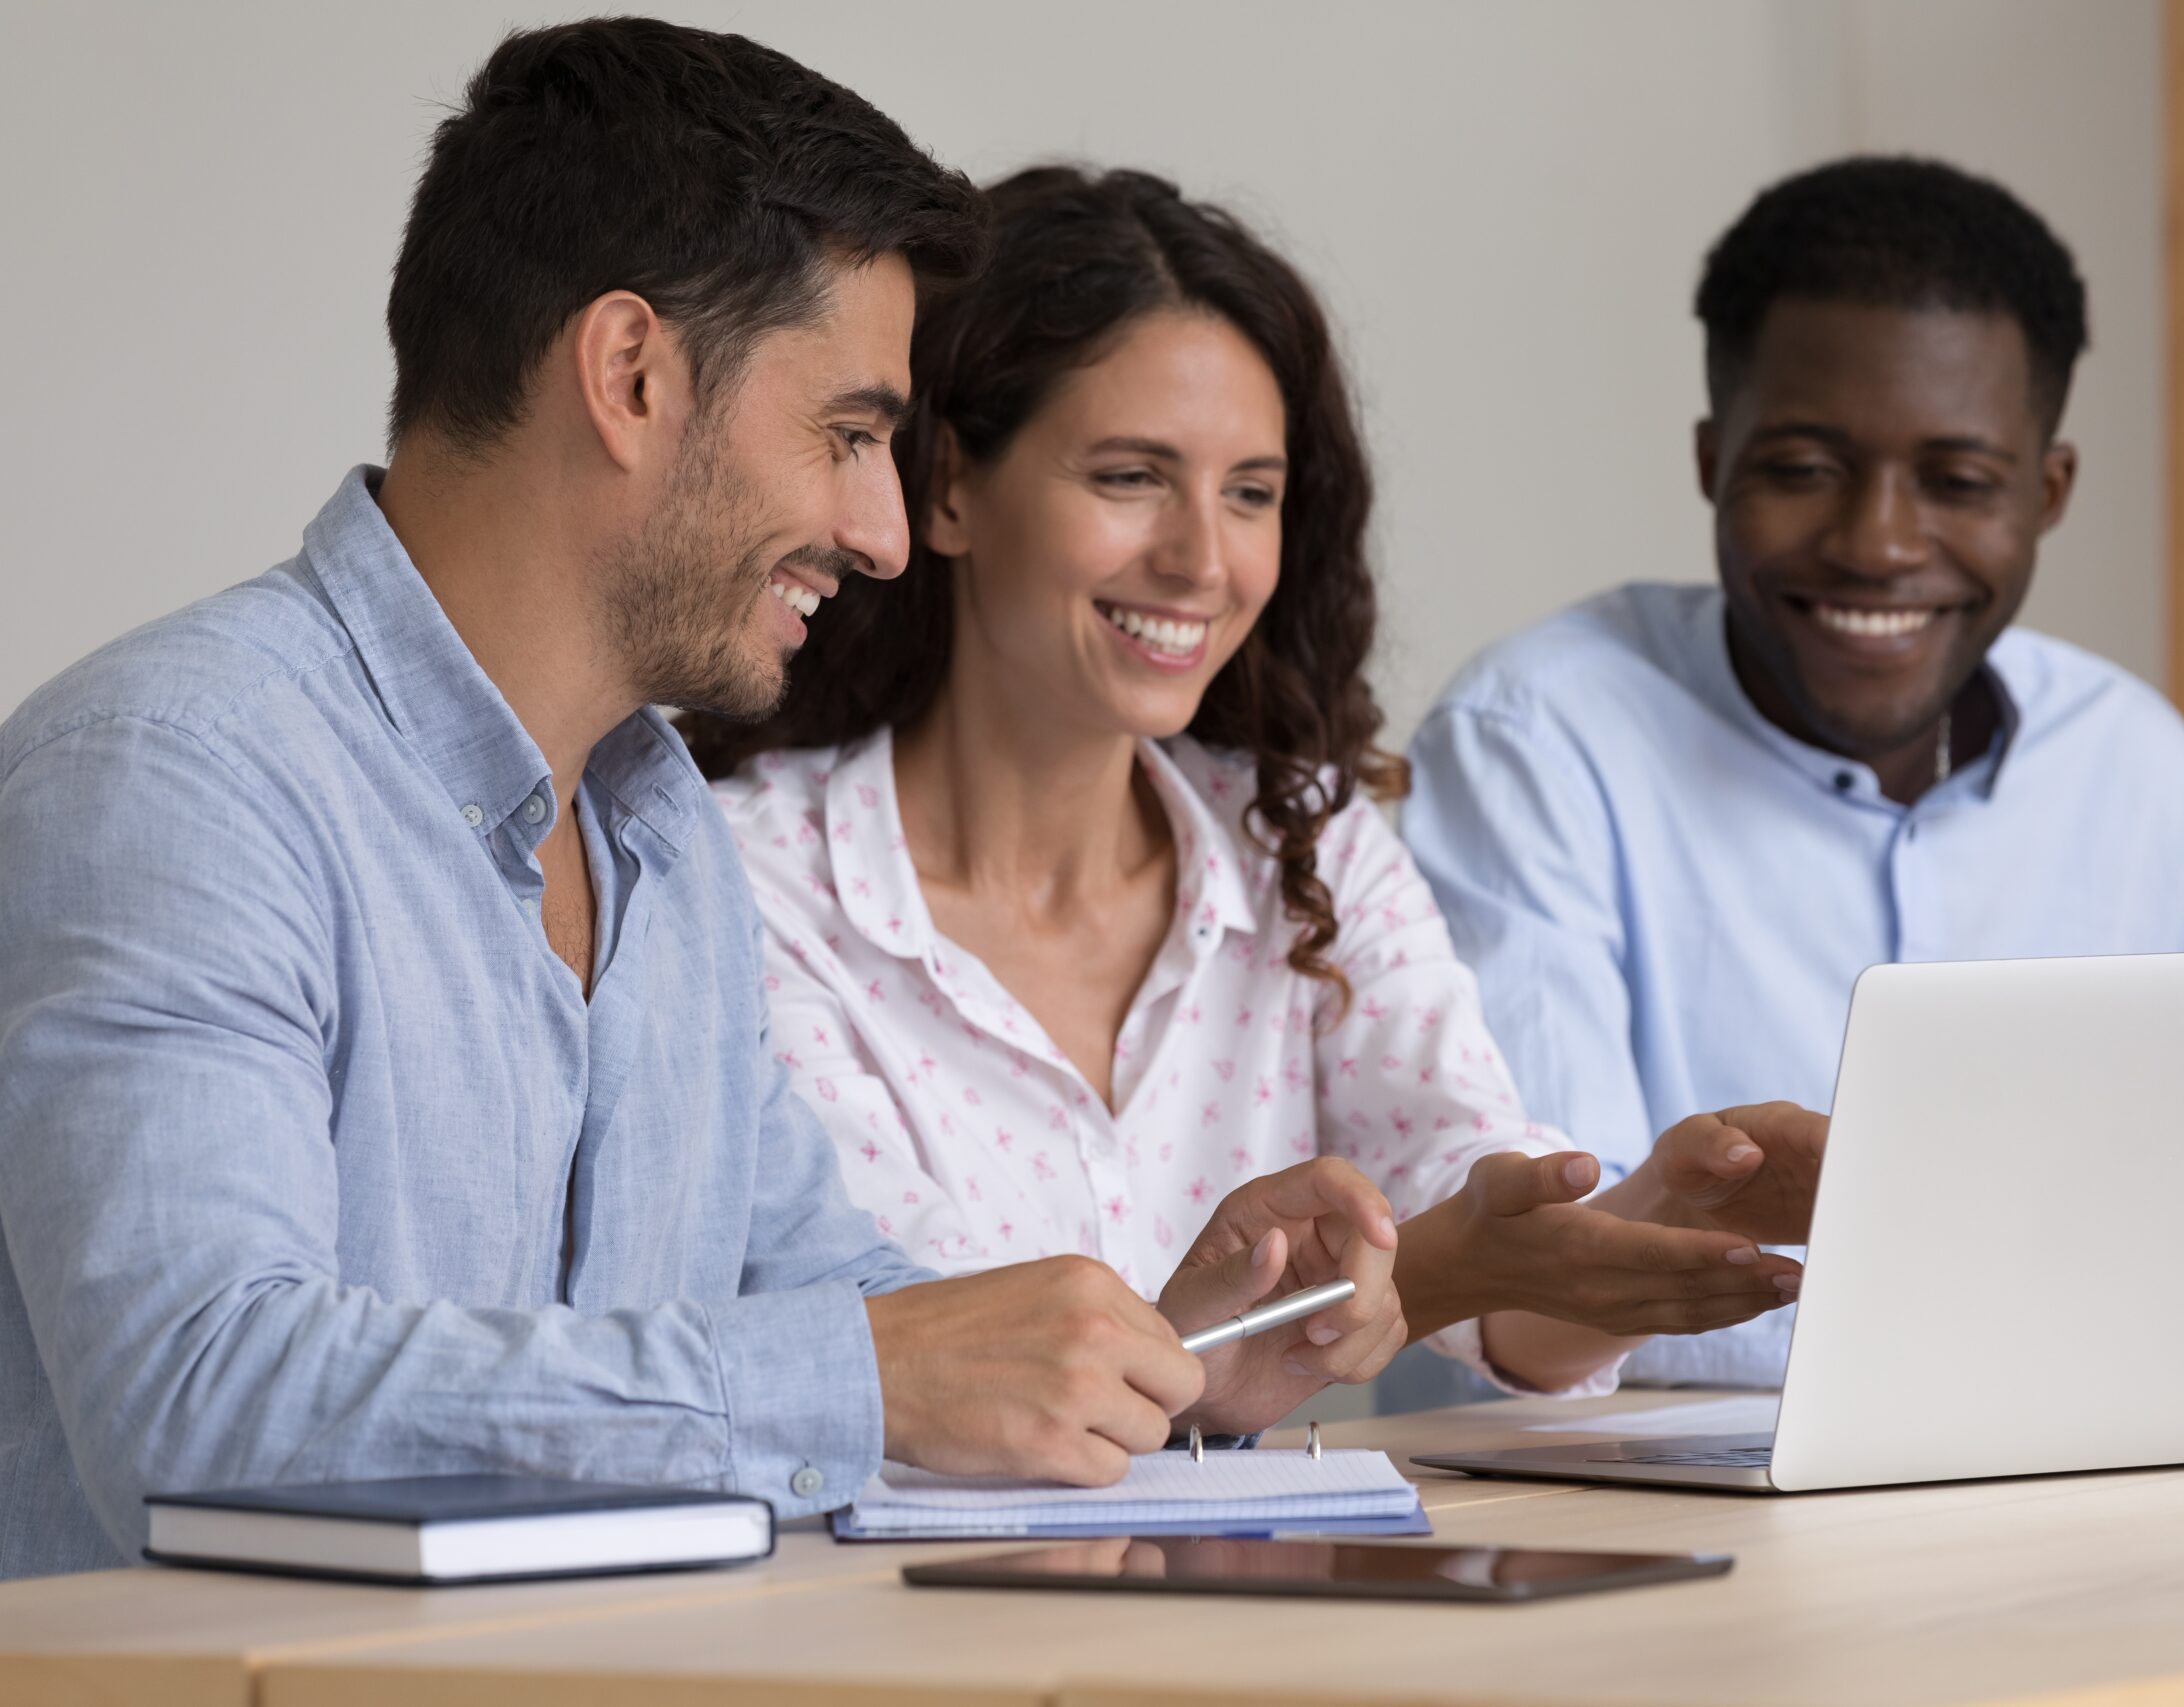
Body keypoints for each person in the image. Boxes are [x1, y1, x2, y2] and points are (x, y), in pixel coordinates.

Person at [0, 21, 1390, 1583]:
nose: (882, 533)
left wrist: (1155, 1362)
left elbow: (837, 1300)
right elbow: (193, 1397)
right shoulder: (172, 775)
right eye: (851, 432)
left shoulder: (660, 831)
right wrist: (862, 1379)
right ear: (631, 373)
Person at [1401, 155, 2184, 1397]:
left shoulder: (2131, 761)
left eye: (1957, 482)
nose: (1877, 543)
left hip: (2062, 1513)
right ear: (1708, 460)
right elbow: (1549, 1287)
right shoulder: (1531, 742)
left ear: (2046, 491)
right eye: (1800, 467)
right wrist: (2151, 1307)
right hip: (1611, 1532)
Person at [687, 166, 1820, 1406]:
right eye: (1128, 477)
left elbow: (1496, 1253)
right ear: (948, 485)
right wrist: (1434, 1272)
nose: (1201, 561)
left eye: (1251, 494)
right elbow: (932, 1353)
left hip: (1252, 1594)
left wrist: (1653, 1219)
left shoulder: (1308, 846)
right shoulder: (747, 881)